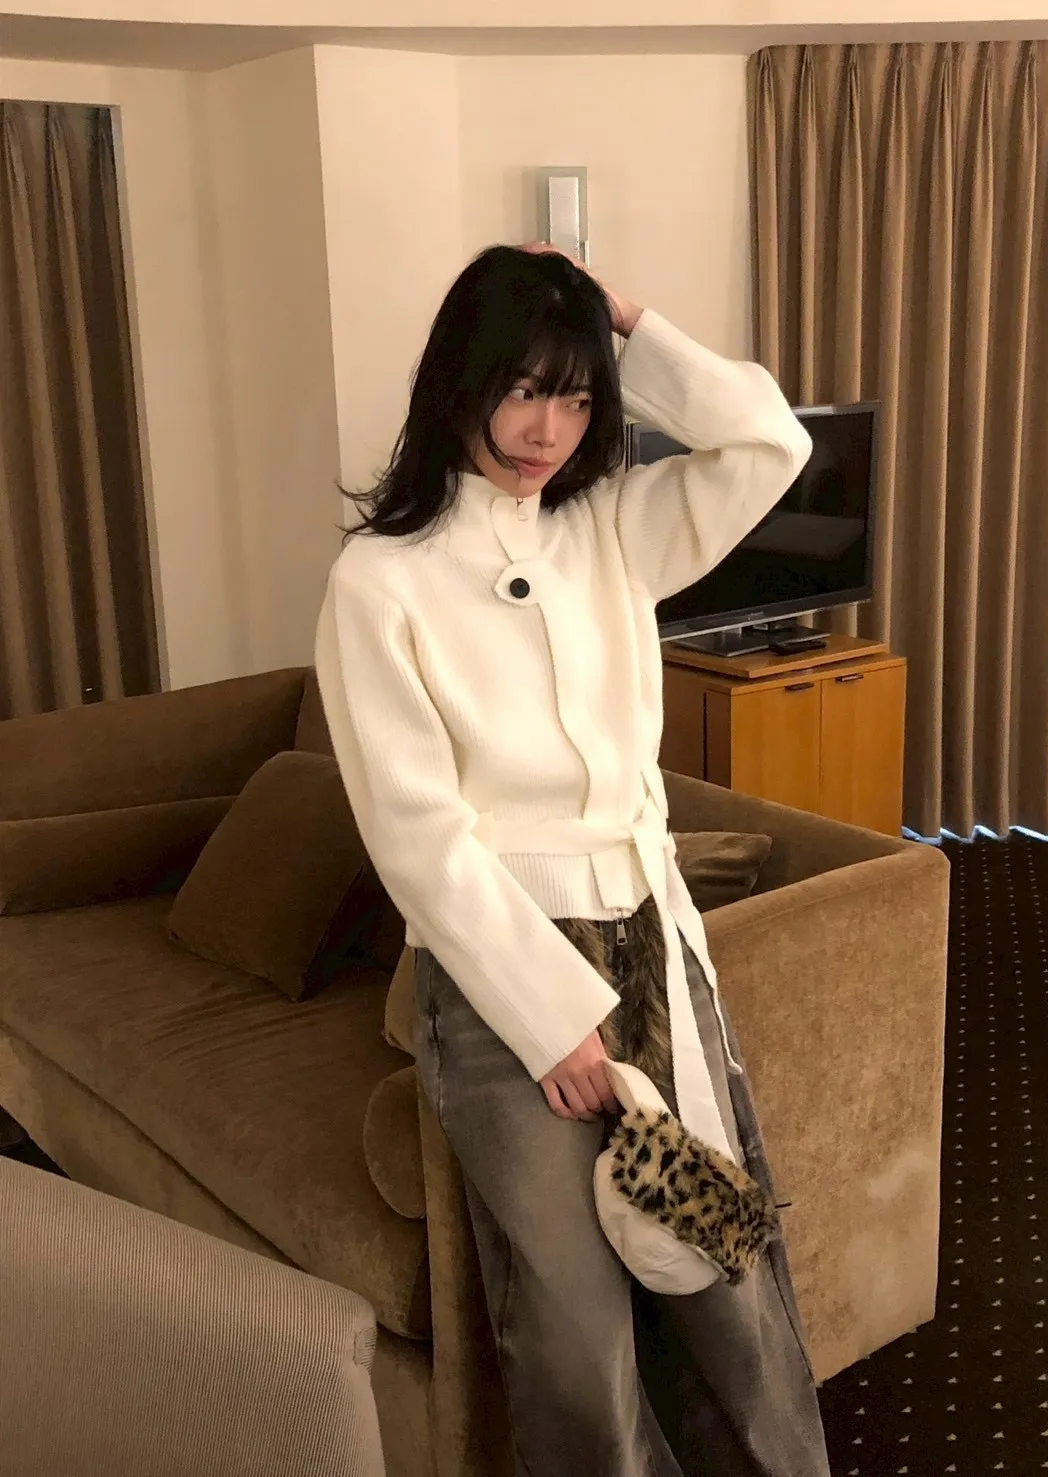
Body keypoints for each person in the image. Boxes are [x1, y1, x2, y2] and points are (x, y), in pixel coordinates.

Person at [315, 243, 832, 1477]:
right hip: (508, 980)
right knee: (569, 1331)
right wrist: (553, 1024)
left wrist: (626, 320)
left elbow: (770, 444)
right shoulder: (378, 582)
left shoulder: (609, 528)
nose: (546, 430)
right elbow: (416, 834)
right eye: (520, 390)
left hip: (653, 941)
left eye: (577, 396)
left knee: (723, 1271)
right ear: (459, 383)